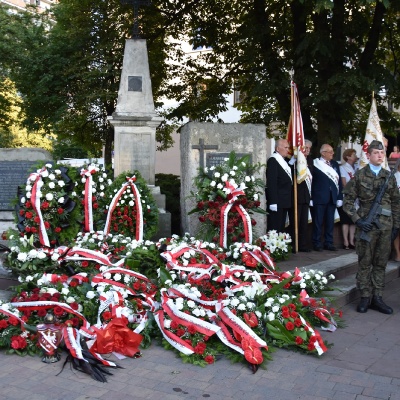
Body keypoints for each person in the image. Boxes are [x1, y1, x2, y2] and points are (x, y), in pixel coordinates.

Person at [343, 140, 400, 314]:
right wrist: (358, 220)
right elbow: (348, 201)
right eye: (376, 153)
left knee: (381, 263)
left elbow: (397, 203)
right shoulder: (360, 175)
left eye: (382, 153)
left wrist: (396, 226)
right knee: (365, 262)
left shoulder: (389, 176)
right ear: (368, 155)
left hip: (385, 228)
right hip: (366, 227)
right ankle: (365, 297)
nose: (380, 155)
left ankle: (378, 297)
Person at [311, 144, 343, 251]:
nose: (333, 153)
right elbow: (311, 182)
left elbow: (338, 182)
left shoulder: (334, 164)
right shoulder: (315, 164)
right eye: (330, 152)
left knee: (330, 222)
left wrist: (339, 197)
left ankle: (329, 242)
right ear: (323, 153)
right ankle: (316, 243)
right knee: (318, 222)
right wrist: (311, 197)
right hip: (319, 197)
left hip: (332, 197)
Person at [266, 138, 292, 233]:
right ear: (277, 148)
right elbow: (271, 182)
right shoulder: (273, 160)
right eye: (285, 147)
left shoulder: (283, 161)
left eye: (288, 147)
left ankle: (280, 246)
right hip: (277, 201)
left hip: (284, 200)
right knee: (275, 227)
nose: (288, 150)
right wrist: (273, 201)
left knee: (281, 227)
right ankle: (272, 247)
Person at [296, 139, 313, 252]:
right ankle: (295, 244)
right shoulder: (296, 161)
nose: (307, 150)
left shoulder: (310, 161)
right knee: (296, 223)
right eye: (305, 148)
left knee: (304, 223)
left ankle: (303, 245)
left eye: (309, 148)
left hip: (307, 196)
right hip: (297, 196)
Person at [339, 149, 357, 249]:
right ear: (348, 157)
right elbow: (344, 183)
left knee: (353, 220)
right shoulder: (343, 168)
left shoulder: (356, 168)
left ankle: (351, 241)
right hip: (347, 196)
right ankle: (345, 241)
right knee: (346, 220)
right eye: (353, 155)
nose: (355, 156)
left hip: (356, 198)